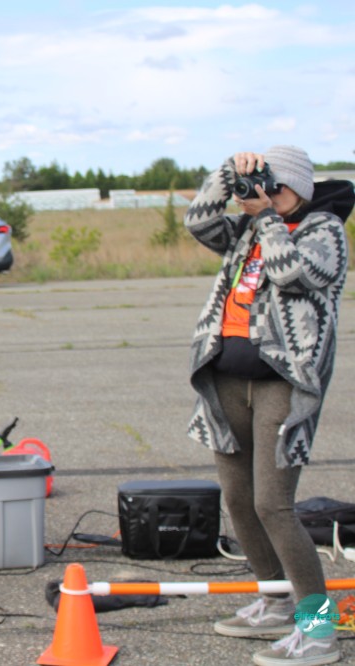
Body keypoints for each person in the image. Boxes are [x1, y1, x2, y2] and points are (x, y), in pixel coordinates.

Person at [184, 145, 353, 666]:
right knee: (238, 500)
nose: (263, 195)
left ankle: (319, 632)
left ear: (298, 188)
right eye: (261, 186)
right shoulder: (248, 227)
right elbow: (198, 222)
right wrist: (228, 173)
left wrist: (268, 220)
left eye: (274, 186)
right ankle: (276, 599)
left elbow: (291, 275)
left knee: (273, 506)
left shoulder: (325, 231)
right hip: (226, 378)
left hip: (283, 384)